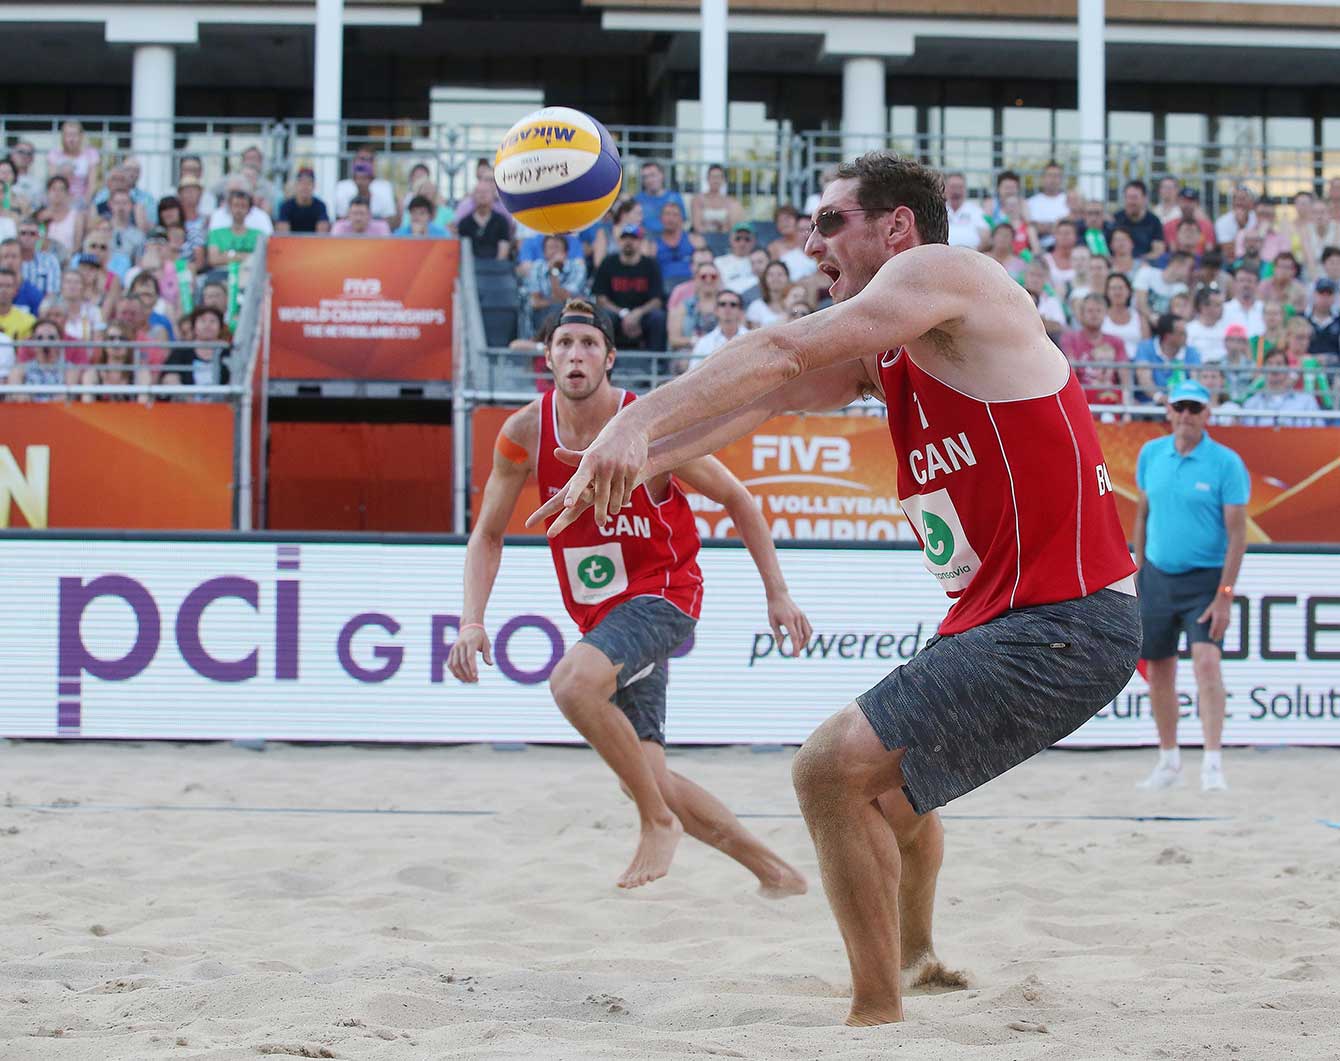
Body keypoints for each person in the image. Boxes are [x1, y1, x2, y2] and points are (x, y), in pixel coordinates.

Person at [530, 153, 1141, 1026]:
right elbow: (770, 394)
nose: (812, 241)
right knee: (887, 794)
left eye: (830, 221)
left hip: (1063, 619)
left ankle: (874, 1016)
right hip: (1006, 617)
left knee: (826, 770)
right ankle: (918, 953)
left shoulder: (944, 273)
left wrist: (634, 417)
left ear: (896, 227)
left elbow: (779, 348)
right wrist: (641, 462)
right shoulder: (889, 348)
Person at [449, 298, 812, 895]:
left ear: (610, 358)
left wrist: (777, 594)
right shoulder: (521, 434)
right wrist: (471, 621)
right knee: (645, 773)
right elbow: (487, 534)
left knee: (572, 683)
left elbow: (740, 499)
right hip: (604, 610)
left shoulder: (645, 422)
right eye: (564, 343)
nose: (575, 353)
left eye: (588, 344)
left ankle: (655, 822)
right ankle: (776, 874)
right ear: (547, 358)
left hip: (666, 594)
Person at [1133, 379, 1248, 793]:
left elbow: (1237, 535)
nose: (1185, 415)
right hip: (1158, 577)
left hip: (1205, 580)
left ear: (1206, 415)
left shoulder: (1226, 463)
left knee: (1206, 663)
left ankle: (1213, 761)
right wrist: (1139, 569)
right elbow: (1143, 514)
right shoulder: (1151, 455)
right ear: (1169, 412)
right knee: (1159, 672)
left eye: (1193, 408)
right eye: (1179, 407)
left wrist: (1225, 595)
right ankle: (1169, 760)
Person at [593, 224, 667, 353]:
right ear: (619, 241)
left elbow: (657, 300)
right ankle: (604, 362)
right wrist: (623, 313)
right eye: (624, 238)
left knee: (658, 317)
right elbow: (601, 299)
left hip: (643, 314)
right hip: (616, 314)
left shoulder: (650, 265)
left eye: (633, 238)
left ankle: (657, 364)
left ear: (640, 242)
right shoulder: (608, 263)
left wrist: (637, 313)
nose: (628, 242)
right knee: (604, 317)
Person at [686, 288, 748, 370]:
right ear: (716, 310)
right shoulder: (703, 343)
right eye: (722, 304)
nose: (727, 308)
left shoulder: (752, 339)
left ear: (740, 311)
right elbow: (692, 372)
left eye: (733, 304)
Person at [633, 161, 686, 239]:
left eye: (653, 175)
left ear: (662, 175)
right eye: (645, 177)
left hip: (670, 239)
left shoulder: (675, 198)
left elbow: (682, 223)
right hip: (645, 240)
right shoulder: (637, 199)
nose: (649, 180)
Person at [690, 163, 744, 234]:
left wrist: (721, 227)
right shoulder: (698, 200)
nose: (715, 180)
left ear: (723, 180)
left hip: (725, 239)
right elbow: (697, 226)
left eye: (718, 177)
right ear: (708, 178)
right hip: (703, 239)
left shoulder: (731, 202)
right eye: (713, 177)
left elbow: (734, 227)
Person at [276, 167, 331, 234]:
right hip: (291, 244)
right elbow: (283, 235)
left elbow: (322, 234)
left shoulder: (320, 206)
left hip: (314, 243)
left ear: (314, 186)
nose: (305, 187)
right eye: (301, 183)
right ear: (296, 185)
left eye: (309, 183)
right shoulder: (286, 206)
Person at [943, 172, 988, 250]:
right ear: (945, 189)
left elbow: (985, 236)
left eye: (960, 187)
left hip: (971, 257)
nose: (956, 191)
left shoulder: (976, 211)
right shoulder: (939, 210)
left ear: (965, 189)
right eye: (953, 187)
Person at [745, 259, 792, 329]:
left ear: (787, 278)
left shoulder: (794, 303)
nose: (775, 278)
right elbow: (755, 335)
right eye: (771, 275)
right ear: (765, 279)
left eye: (780, 274)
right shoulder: (756, 307)